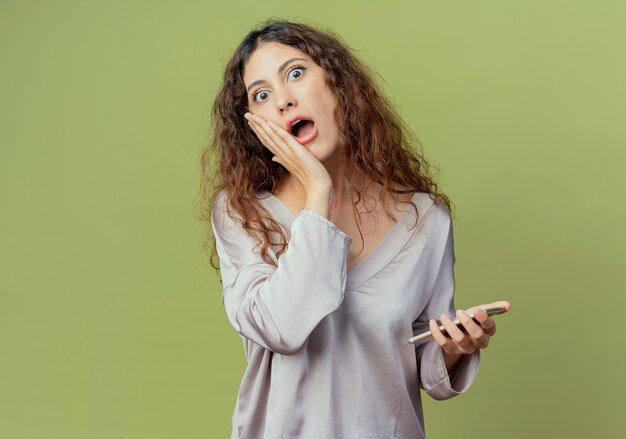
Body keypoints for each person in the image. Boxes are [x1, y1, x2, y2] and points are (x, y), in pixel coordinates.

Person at [196, 18, 511, 439]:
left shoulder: (426, 220)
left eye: (296, 73)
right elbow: (283, 328)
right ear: (254, 122)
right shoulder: (241, 214)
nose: (284, 101)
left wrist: (453, 348)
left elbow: (420, 357)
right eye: (262, 94)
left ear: (338, 85)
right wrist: (318, 190)